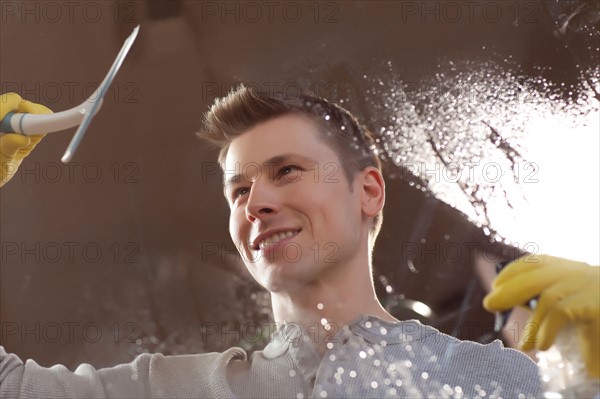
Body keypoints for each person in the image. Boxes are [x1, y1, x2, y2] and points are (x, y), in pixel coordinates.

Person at [0, 89, 597, 398]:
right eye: (238, 191)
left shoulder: (493, 379)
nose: (255, 201)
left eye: (285, 170)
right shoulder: (172, 390)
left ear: (368, 192)